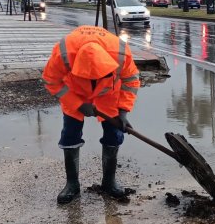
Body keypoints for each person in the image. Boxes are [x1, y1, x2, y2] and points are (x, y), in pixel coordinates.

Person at [42, 25, 141, 204]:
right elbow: (51, 81)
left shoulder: (120, 53)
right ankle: (72, 184)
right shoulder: (63, 53)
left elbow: (131, 80)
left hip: (108, 93)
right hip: (75, 92)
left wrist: (123, 111)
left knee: (114, 134)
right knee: (70, 134)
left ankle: (109, 182)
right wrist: (77, 104)